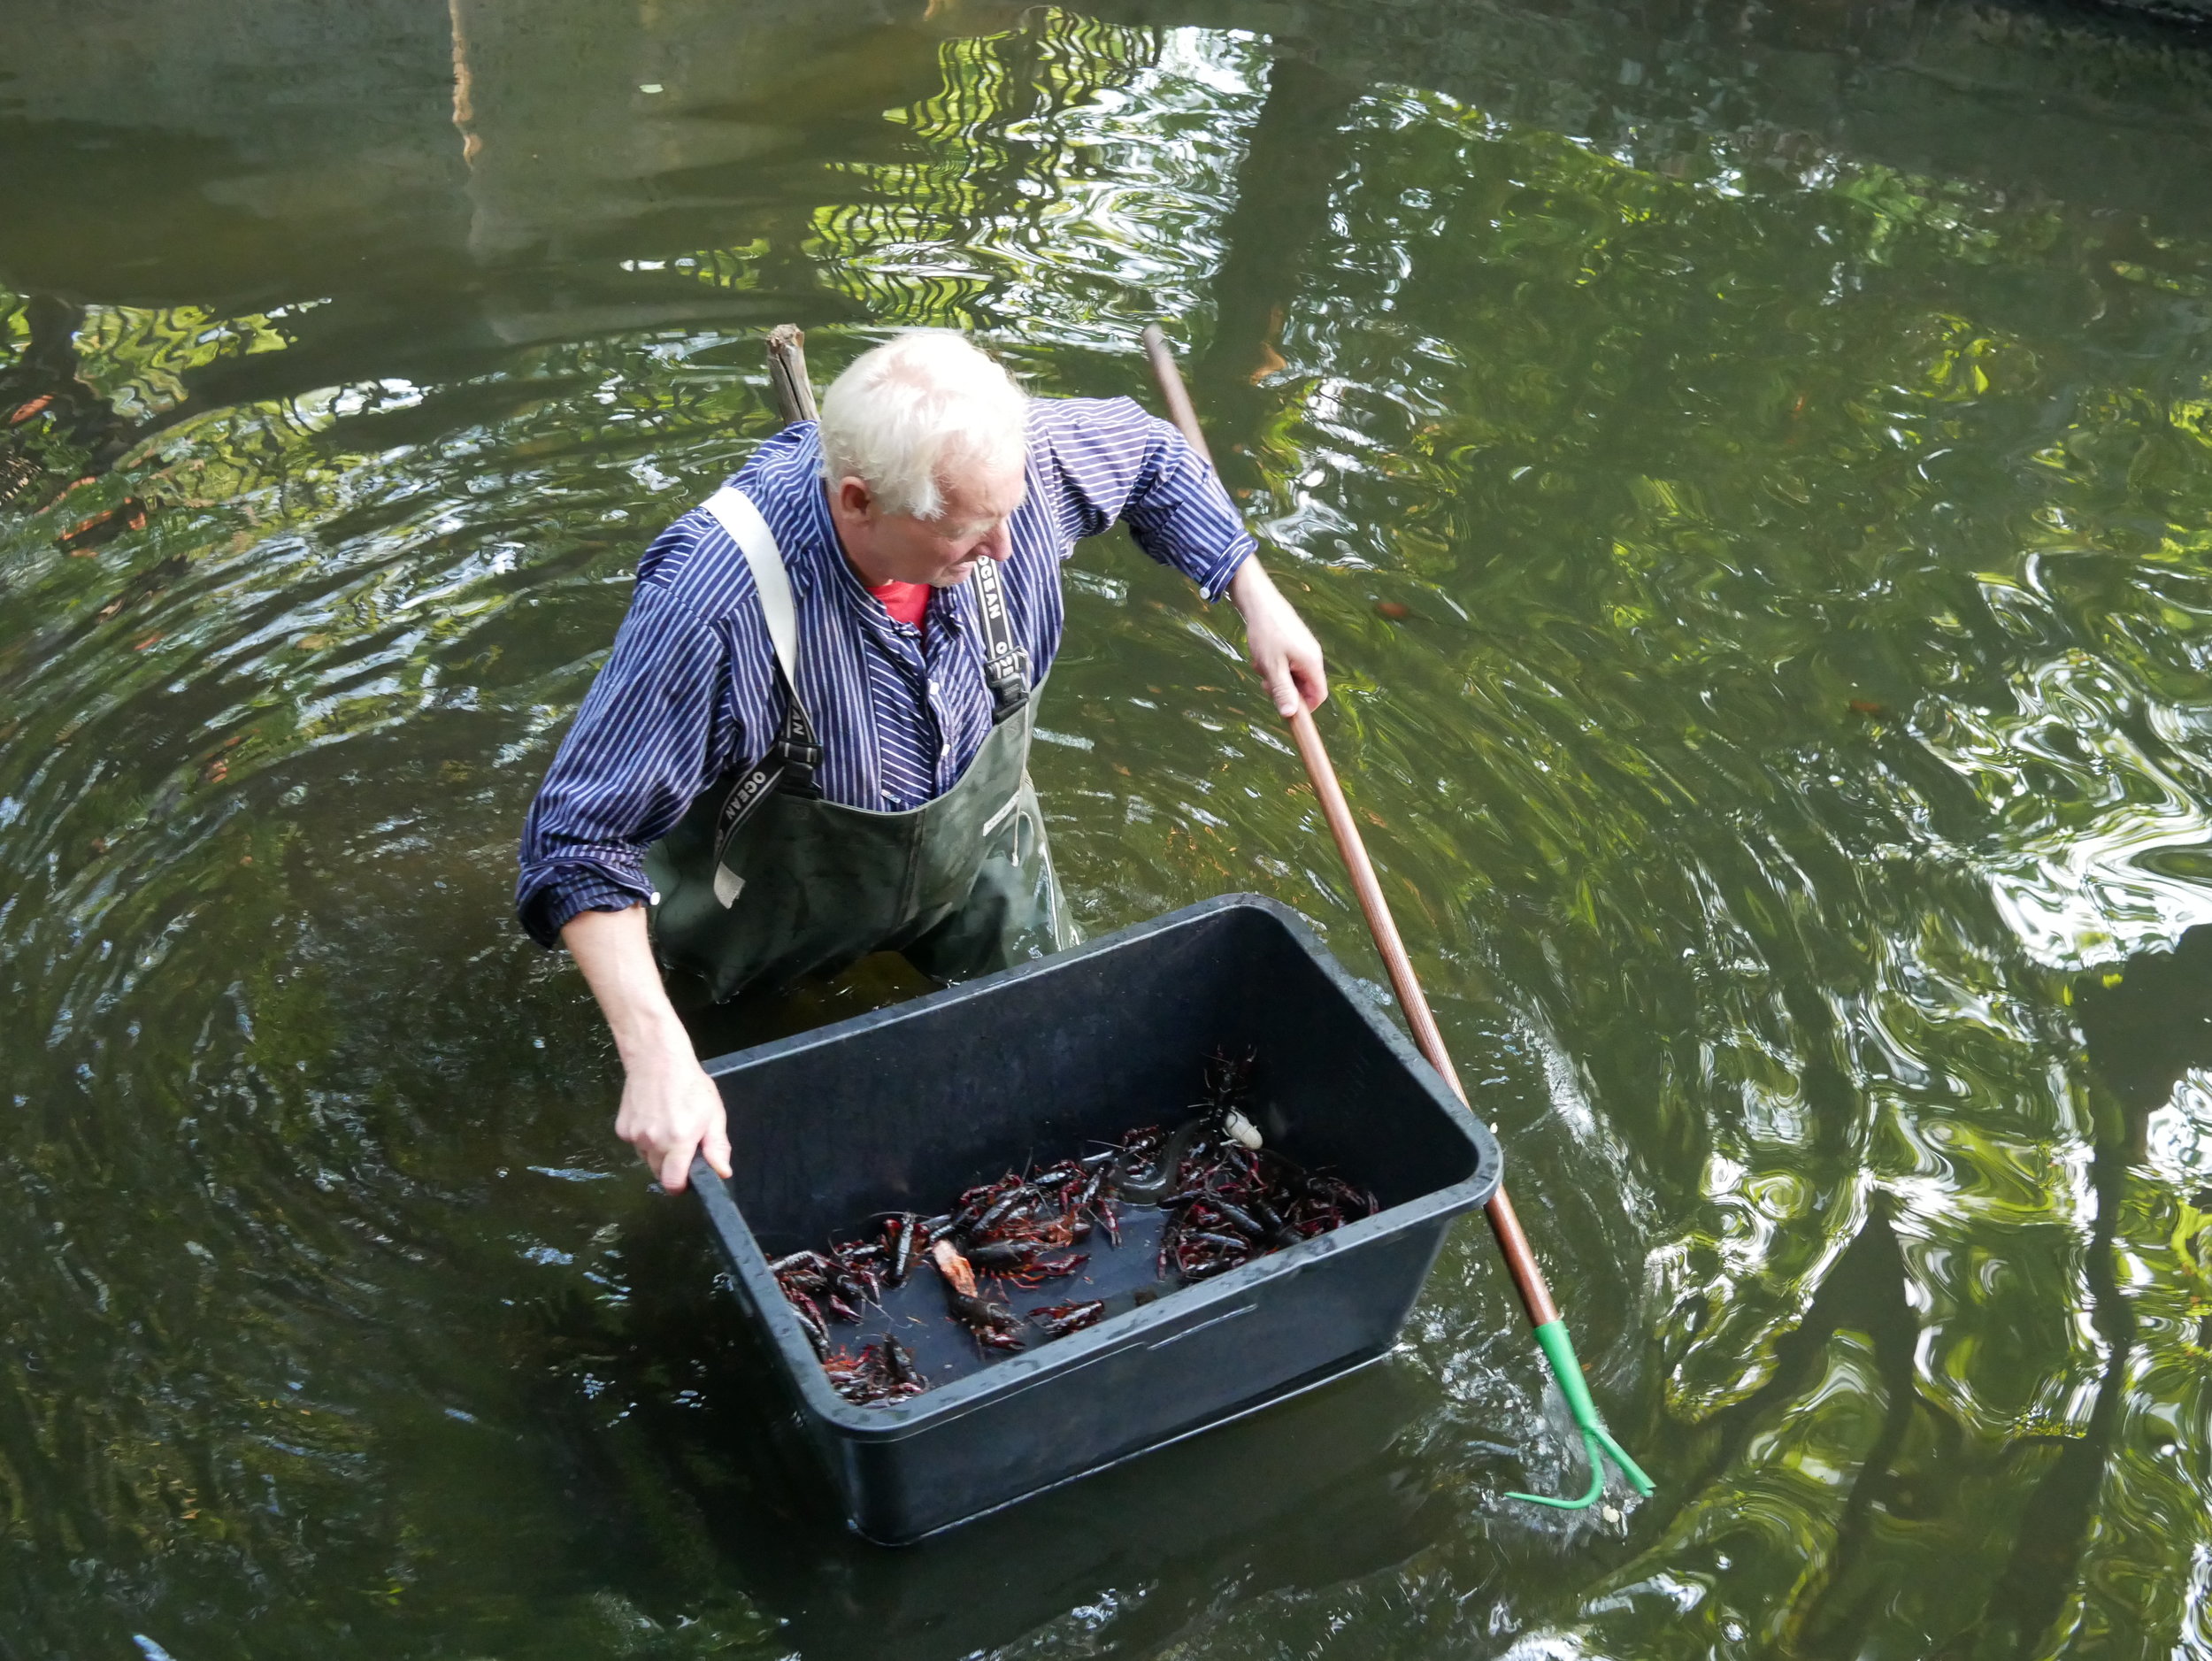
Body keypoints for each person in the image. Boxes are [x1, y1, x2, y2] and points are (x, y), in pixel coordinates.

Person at [516, 330, 1326, 1191]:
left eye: (1012, 511)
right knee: (764, 1159)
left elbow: (1155, 455)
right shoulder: (715, 604)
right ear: (859, 501)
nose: (1012, 549)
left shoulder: (1006, 472)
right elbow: (576, 841)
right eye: (973, 532)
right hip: (769, 919)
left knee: (1076, 1078)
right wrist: (656, 1053)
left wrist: (1253, 591)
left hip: (980, 858)